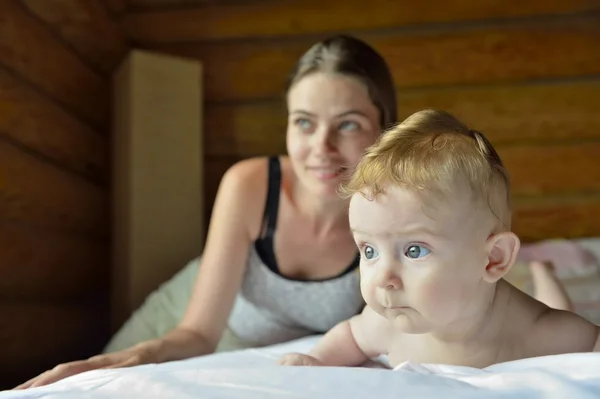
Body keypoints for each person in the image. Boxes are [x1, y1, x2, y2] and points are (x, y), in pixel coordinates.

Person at [16, 37, 572, 390]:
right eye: (303, 122)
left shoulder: (389, 214)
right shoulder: (252, 185)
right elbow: (195, 334)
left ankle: (545, 269)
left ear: (386, 133)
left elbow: (467, 298)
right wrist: (127, 360)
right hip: (190, 324)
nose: (320, 148)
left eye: (348, 124)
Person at [278, 109, 600, 369]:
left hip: (532, 315)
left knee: (555, 306)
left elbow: (591, 344)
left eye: (414, 250)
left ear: (494, 259)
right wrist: (317, 359)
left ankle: (543, 271)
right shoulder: (386, 322)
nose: (384, 279)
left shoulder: (538, 333)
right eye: (370, 250)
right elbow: (350, 336)